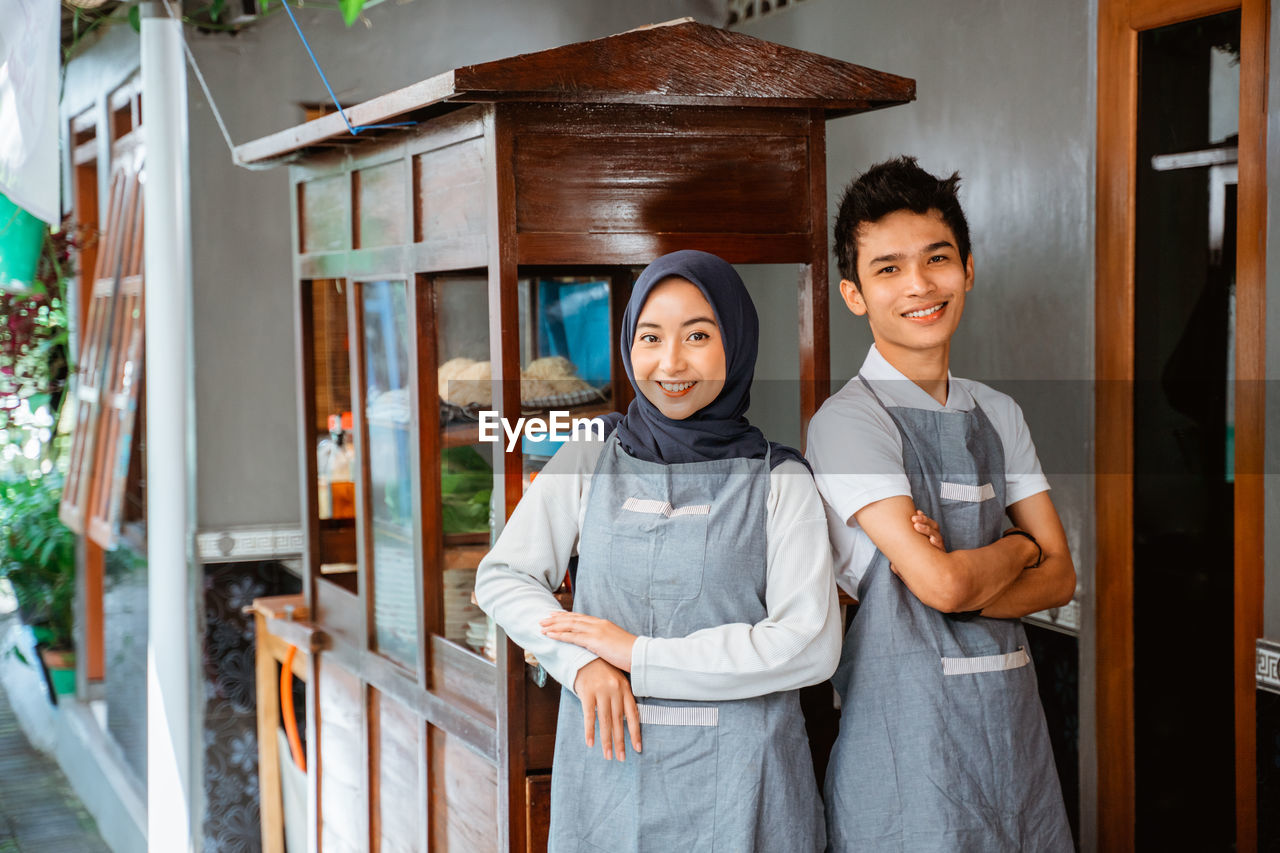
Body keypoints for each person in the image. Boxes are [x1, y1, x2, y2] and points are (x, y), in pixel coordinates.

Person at [474, 250, 840, 853]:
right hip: (609, 781)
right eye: (651, 337)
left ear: (738, 344)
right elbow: (504, 576)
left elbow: (810, 644)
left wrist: (637, 657)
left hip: (747, 787)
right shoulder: (591, 457)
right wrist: (582, 664)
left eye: (698, 335)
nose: (671, 362)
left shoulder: (781, 480)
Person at [807, 157, 1076, 851]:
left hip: (1015, 741)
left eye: (937, 259)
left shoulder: (998, 411)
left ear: (969, 268)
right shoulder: (847, 423)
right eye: (888, 268)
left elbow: (1063, 577)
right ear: (854, 293)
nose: (920, 285)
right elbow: (945, 584)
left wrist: (959, 574)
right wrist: (1019, 547)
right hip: (907, 757)